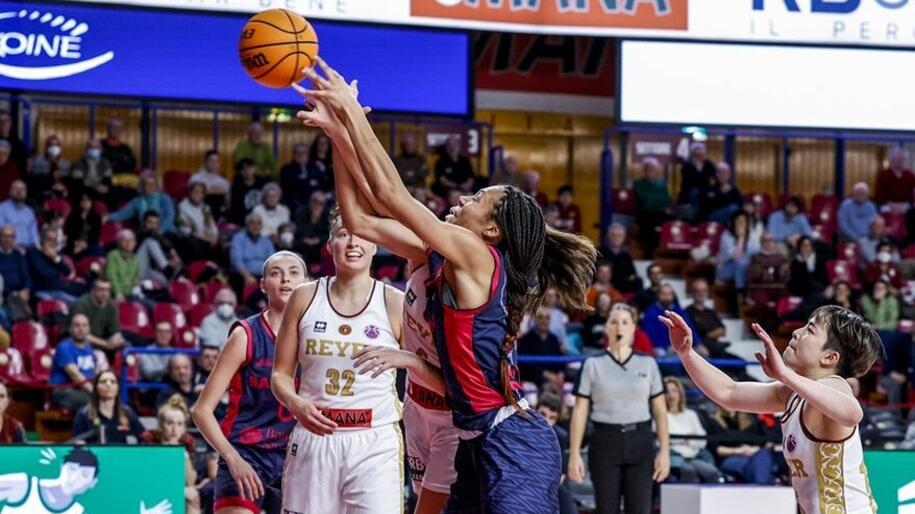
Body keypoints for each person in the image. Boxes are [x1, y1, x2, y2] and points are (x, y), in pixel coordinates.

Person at [295, 61, 597, 512]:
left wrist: (353, 113)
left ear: (493, 230)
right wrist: (339, 134)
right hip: (474, 435)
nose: (463, 199)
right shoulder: (440, 256)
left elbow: (395, 195)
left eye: (477, 200)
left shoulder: (480, 257)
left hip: (511, 439)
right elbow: (361, 216)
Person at [659, 306, 882, 512]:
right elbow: (729, 393)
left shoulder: (834, 384)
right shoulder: (793, 393)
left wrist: (785, 374)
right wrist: (686, 354)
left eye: (810, 330)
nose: (797, 332)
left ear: (830, 357)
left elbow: (853, 413)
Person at [271, 208, 412, 514]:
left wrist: (405, 358)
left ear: (375, 244)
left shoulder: (394, 302)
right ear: (330, 244)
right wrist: (296, 403)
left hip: (374, 439)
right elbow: (280, 375)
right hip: (315, 434)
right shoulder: (304, 297)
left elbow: (430, 370)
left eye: (361, 234)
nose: (352, 243)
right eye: (343, 234)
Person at [191, 251, 307, 514]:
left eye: (293, 273)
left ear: (306, 282)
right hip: (247, 454)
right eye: (276, 273)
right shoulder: (245, 335)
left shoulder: (316, 337)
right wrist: (232, 458)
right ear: (263, 285)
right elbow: (201, 410)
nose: (286, 279)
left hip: (297, 456)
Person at [568, 304, 670, 514]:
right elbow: (579, 411)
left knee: (640, 508)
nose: (619, 327)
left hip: (640, 439)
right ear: (607, 327)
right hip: (605, 440)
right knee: (606, 509)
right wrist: (575, 454)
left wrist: (665, 451)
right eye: (613, 322)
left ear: (633, 327)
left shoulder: (648, 363)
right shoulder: (592, 364)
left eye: (625, 322)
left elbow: (660, 411)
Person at [144, 396, 202, 514]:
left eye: (180, 424)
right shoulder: (150, 446)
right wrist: (179, 491)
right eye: (169, 423)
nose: (175, 429)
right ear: (161, 425)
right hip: (152, 491)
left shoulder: (187, 446)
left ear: (184, 428)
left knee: (193, 496)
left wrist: (184, 454)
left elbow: (190, 481)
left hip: (179, 490)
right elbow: (150, 481)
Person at [664, 377, 721, 483]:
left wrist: (680, 438)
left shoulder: (691, 414)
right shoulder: (661, 416)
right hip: (674, 457)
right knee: (688, 471)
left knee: (712, 472)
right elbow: (662, 441)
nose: (671, 395)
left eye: (674, 391)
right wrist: (688, 436)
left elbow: (702, 441)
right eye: (667, 392)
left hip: (694, 456)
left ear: (680, 393)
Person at [71, 370, 144, 443]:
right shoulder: (83, 413)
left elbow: (143, 438)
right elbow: (78, 444)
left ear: (118, 387)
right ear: (96, 387)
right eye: (103, 381)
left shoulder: (127, 412)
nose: (108, 384)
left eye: (113, 382)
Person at [537, 392, 577, 514]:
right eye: (543, 414)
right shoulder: (522, 431)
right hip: (527, 482)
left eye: (552, 417)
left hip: (550, 484)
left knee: (563, 495)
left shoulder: (560, 436)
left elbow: (562, 472)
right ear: (535, 411)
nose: (546, 421)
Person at [49, 314, 98, 411]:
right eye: (77, 325)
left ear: (89, 329)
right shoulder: (64, 347)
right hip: (63, 391)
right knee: (92, 401)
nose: (81, 329)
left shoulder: (89, 348)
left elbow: (93, 373)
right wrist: (97, 393)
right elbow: (76, 376)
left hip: (83, 390)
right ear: (70, 329)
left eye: (84, 325)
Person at [28, 226, 85, 304]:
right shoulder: (33, 253)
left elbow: (68, 272)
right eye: (49, 239)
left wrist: (54, 258)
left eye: (54, 240)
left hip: (57, 291)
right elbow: (44, 273)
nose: (52, 243)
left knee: (78, 305)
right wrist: (52, 259)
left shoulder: (55, 253)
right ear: (42, 239)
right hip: (40, 291)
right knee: (56, 306)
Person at [642, 284, 702, 355]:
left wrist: (698, 344)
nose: (666, 297)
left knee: (700, 352)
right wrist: (668, 346)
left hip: (678, 346)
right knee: (661, 353)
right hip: (659, 347)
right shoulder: (650, 312)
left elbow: (689, 327)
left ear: (673, 296)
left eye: (669, 294)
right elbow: (651, 336)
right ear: (658, 295)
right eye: (663, 294)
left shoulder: (678, 310)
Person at [108, 170, 176, 233]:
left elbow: (170, 216)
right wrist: (107, 217)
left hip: (166, 232)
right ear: (142, 185)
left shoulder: (164, 198)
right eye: (146, 184)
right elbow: (121, 214)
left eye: (152, 184)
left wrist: (160, 231)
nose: (148, 187)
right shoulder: (138, 201)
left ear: (157, 185)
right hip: (147, 233)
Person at [71, 278, 126, 353]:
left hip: (103, 341)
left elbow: (115, 331)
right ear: (93, 291)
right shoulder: (81, 305)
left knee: (129, 347)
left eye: (107, 290)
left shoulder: (111, 305)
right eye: (101, 290)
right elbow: (79, 333)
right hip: (80, 341)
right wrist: (105, 344)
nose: (104, 293)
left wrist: (117, 340)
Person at [518, 307, 566, 388]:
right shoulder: (526, 339)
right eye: (540, 317)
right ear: (535, 319)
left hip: (554, 378)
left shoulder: (553, 338)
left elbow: (561, 359)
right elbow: (526, 365)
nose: (544, 321)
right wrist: (546, 374)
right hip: (533, 380)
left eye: (547, 318)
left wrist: (561, 373)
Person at [229, 213, 276, 293]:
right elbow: (236, 261)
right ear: (247, 225)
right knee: (239, 279)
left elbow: (272, 262)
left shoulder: (266, 242)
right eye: (252, 223)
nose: (255, 226)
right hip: (243, 274)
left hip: (262, 275)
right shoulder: (238, 238)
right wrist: (247, 276)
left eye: (258, 223)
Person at [716, 211, 760, 290]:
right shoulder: (727, 236)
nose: (741, 223)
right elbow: (736, 256)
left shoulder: (752, 235)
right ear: (733, 222)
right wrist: (741, 238)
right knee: (739, 265)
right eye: (739, 221)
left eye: (744, 221)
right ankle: (741, 292)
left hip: (747, 267)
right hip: (726, 269)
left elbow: (756, 253)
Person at [597, 223, 642, 294]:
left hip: (622, 285)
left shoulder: (625, 255)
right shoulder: (599, 252)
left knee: (638, 281)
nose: (616, 238)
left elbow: (632, 274)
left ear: (623, 238)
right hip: (604, 284)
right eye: (613, 235)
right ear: (608, 236)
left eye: (619, 236)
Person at [279, 143, 325, 212]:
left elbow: (322, 185)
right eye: (298, 152)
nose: (301, 155)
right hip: (296, 201)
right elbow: (289, 188)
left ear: (308, 154)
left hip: (316, 200)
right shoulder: (286, 169)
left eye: (304, 153)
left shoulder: (316, 168)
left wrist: (302, 181)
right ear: (294, 155)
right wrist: (309, 182)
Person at [177, 182, 219, 254]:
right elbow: (187, 231)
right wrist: (207, 239)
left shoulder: (205, 207)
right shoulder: (182, 206)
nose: (197, 194)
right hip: (192, 238)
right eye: (195, 191)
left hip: (207, 236)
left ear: (203, 196)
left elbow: (212, 224)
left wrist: (215, 237)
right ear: (190, 192)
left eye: (201, 192)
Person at [292, 190, 330, 265]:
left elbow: (329, 233)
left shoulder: (327, 214)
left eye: (321, 203)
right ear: (310, 201)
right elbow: (300, 232)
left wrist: (317, 240)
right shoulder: (301, 212)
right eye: (315, 201)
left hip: (320, 243)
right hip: (303, 242)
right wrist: (313, 219)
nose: (317, 205)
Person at [64, 192, 103, 259]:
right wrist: (75, 243)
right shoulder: (72, 217)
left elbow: (95, 235)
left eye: (87, 200)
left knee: (98, 250)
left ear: (91, 202)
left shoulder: (96, 218)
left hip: (89, 244)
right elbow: (68, 232)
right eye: (83, 200)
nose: (85, 202)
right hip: (74, 244)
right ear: (79, 202)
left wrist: (85, 244)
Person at [228, 158, 267, 225]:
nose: (247, 171)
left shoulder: (263, 183)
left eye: (249, 167)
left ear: (254, 169)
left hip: (263, 218)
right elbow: (235, 209)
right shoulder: (236, 187)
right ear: (240, 172)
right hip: (243, 221)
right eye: (243, 169)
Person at [0, 180, 38, 249]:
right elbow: (2, 233)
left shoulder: (29, 212)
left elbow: (34, 236)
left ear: (26, 193)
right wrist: (16, 247)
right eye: (16, 188)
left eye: (23, 189)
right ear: (9, 192)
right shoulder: (2, 208)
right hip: (8, 248)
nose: (19, 191)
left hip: (28, 250)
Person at [678, 142, 716, 208]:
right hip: (689, 191)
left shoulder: (708, 164)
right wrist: (698, 168)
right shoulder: (687, 166)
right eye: (696, 155)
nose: (699, 157)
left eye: (701, 154)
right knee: (695, 192)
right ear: (693, 154)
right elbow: (688, 182)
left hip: (705, 190)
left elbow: (715, 177)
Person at [0, 225, 30, 308]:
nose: (8, 239)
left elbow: (26, 276)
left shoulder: (18, 255)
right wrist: (14, 294)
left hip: (21, 296)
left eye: (11, 237)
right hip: (4, 296)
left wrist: (26, 289)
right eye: (5, 236)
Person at [106, 229, 140, 300]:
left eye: (131, 240)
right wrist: (118, 293)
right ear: (118, 242)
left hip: (131, 293)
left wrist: (137, 282)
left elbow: (136, 278)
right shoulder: (113, 255)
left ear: (135, 243)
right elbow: (111, 276)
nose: (128, 243)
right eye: (125, 240)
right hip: (117, 293)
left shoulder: (135, 259)